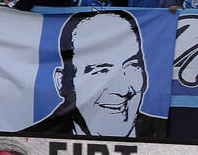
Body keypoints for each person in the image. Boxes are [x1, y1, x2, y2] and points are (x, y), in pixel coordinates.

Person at [26, 11, 166, 138]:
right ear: (62, 82)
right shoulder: (32, 142)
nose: (123, 90)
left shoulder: (165, 136)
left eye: (132, 66)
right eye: (101, 70)